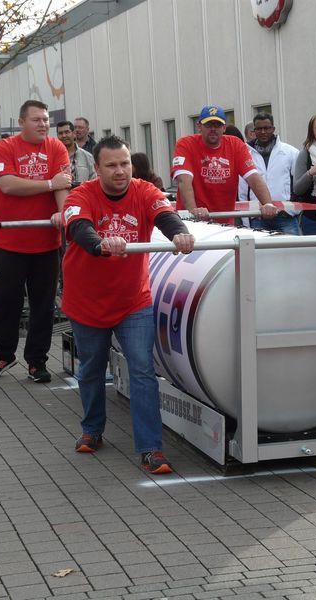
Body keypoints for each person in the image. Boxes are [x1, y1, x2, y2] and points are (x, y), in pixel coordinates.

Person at [61, 135, 195, 472]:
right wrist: (100, 243)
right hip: (87, 301)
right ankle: (92, 429)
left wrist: (179, 233)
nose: (120, 171)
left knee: (142, 370)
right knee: (91, 368)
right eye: (112, 165)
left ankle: (151, 448)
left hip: (133, 300)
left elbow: (165, 215)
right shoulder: (81, 195)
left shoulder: (145, 191)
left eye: (125, 163)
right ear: (97, 168)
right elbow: (79, 228)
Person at [0, 100, 72, 383]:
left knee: (43, 306)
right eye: (36, 119)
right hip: (8, 242)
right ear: (21, 122)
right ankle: (3, 354)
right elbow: (8, 184)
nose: (43, 124)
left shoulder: (56, 148)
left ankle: (37, 361)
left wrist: (63, 213)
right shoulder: (4, 148)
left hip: (46, 244)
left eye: (45, 119)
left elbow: (63, 186)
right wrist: (49, 184)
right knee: (5, 303)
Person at [171, 105, 277, 225]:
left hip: (224, 223)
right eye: (208, 125)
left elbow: (253, 177)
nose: (213, 129)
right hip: (192, 223)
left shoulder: (235, 144)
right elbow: (184, 181)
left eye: (218, 125)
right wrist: (193, 210)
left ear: (224, 127)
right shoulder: (185, 144)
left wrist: (268, 204)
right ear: (199, 126)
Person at [240, 112, 300, 234]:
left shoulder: (290, 152)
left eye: (266, 128)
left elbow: (298, 186)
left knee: (292, 247)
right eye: (259, 129)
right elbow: (242, 191)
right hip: (257, 217)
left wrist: (292, 211)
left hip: (285, 217)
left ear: (273, 129)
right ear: (254, 130)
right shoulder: (245, 155)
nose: (263, 132)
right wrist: (246, 221)